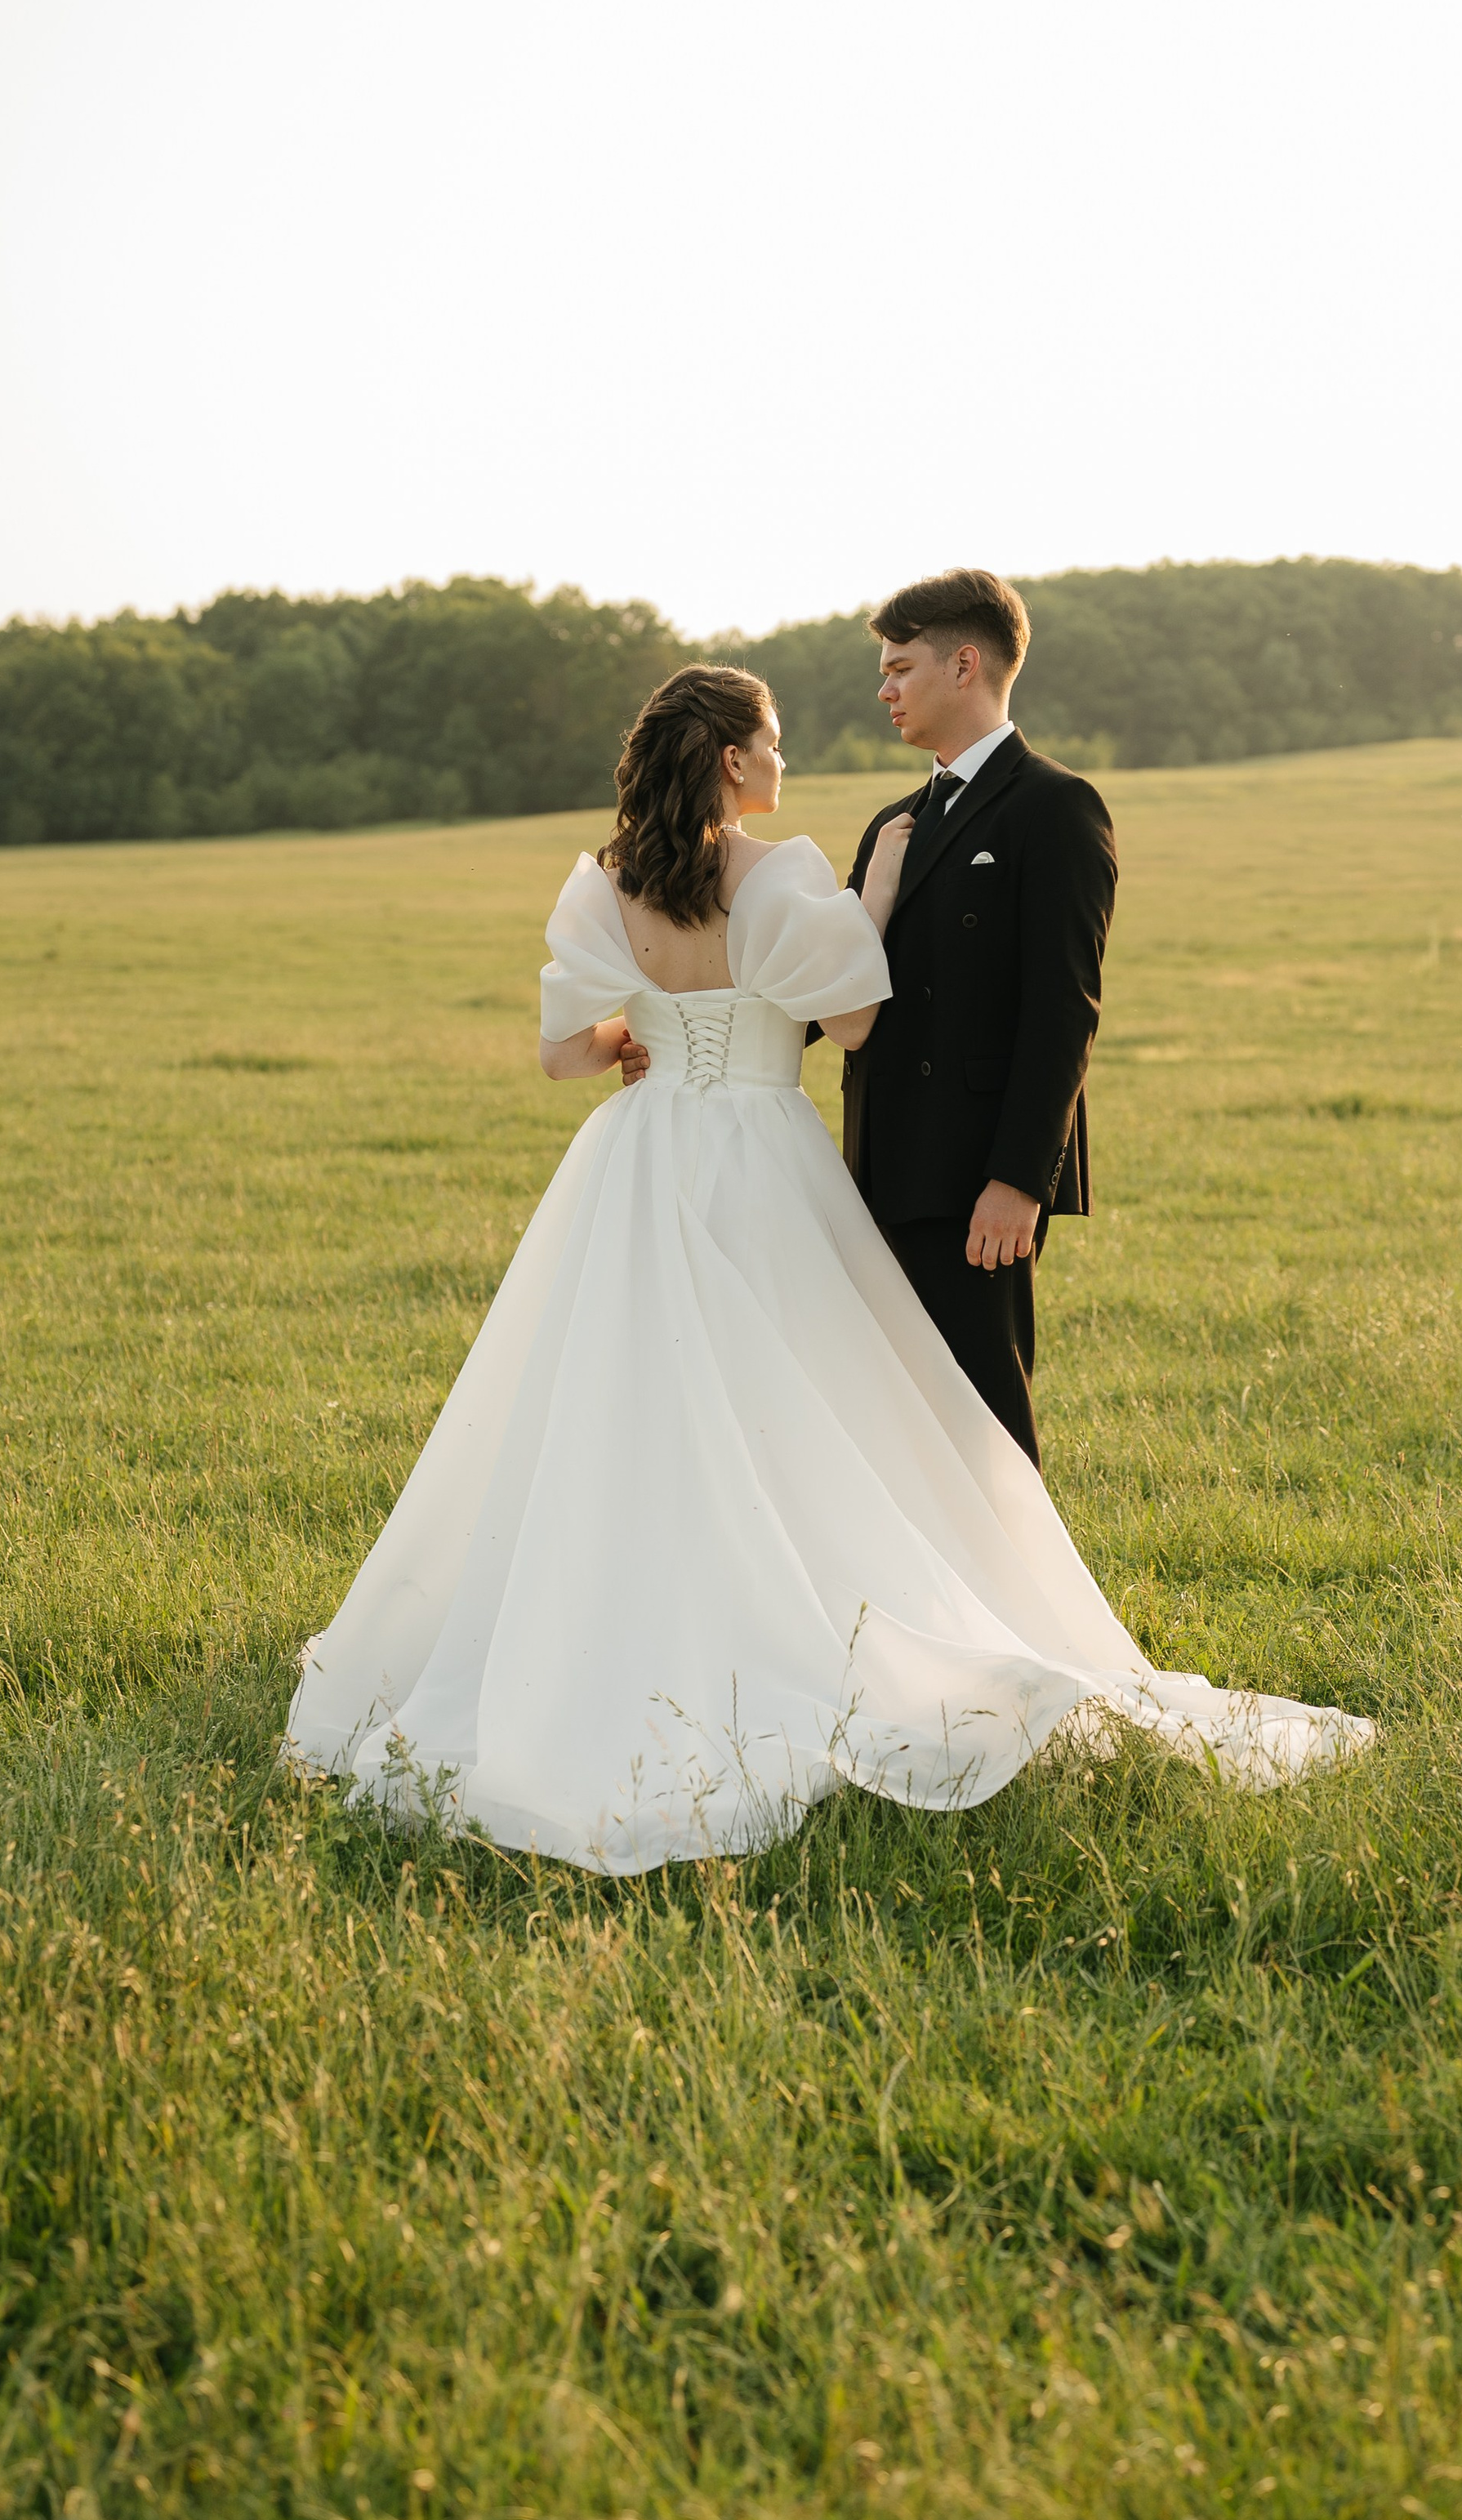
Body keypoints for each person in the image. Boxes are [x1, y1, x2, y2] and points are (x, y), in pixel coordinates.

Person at [286, 662, 1371, 1873]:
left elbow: (562, 1054)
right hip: (758, 1150)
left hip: (639, 1158)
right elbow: (850, 1022)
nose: (785, 760)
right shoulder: (784, 873)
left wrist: (639, 1034)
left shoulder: (605, 881)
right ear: (735, 760)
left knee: (625, 1396)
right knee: (800, 1400)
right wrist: (876, 899)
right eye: (774, 740)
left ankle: (615, 1621)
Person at [828, 568, 1108, 1467]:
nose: (884, 690)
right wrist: (684, 1031)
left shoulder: (1055, 805)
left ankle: (1022, 1568)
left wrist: (1019, 1179)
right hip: (880, 1161)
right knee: (892, 1419)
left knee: (982, 1414)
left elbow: (1064, 1010)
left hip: (977, 1176)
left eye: (898, 668)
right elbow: (835, 980)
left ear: (963, 664)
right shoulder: (893, 824)